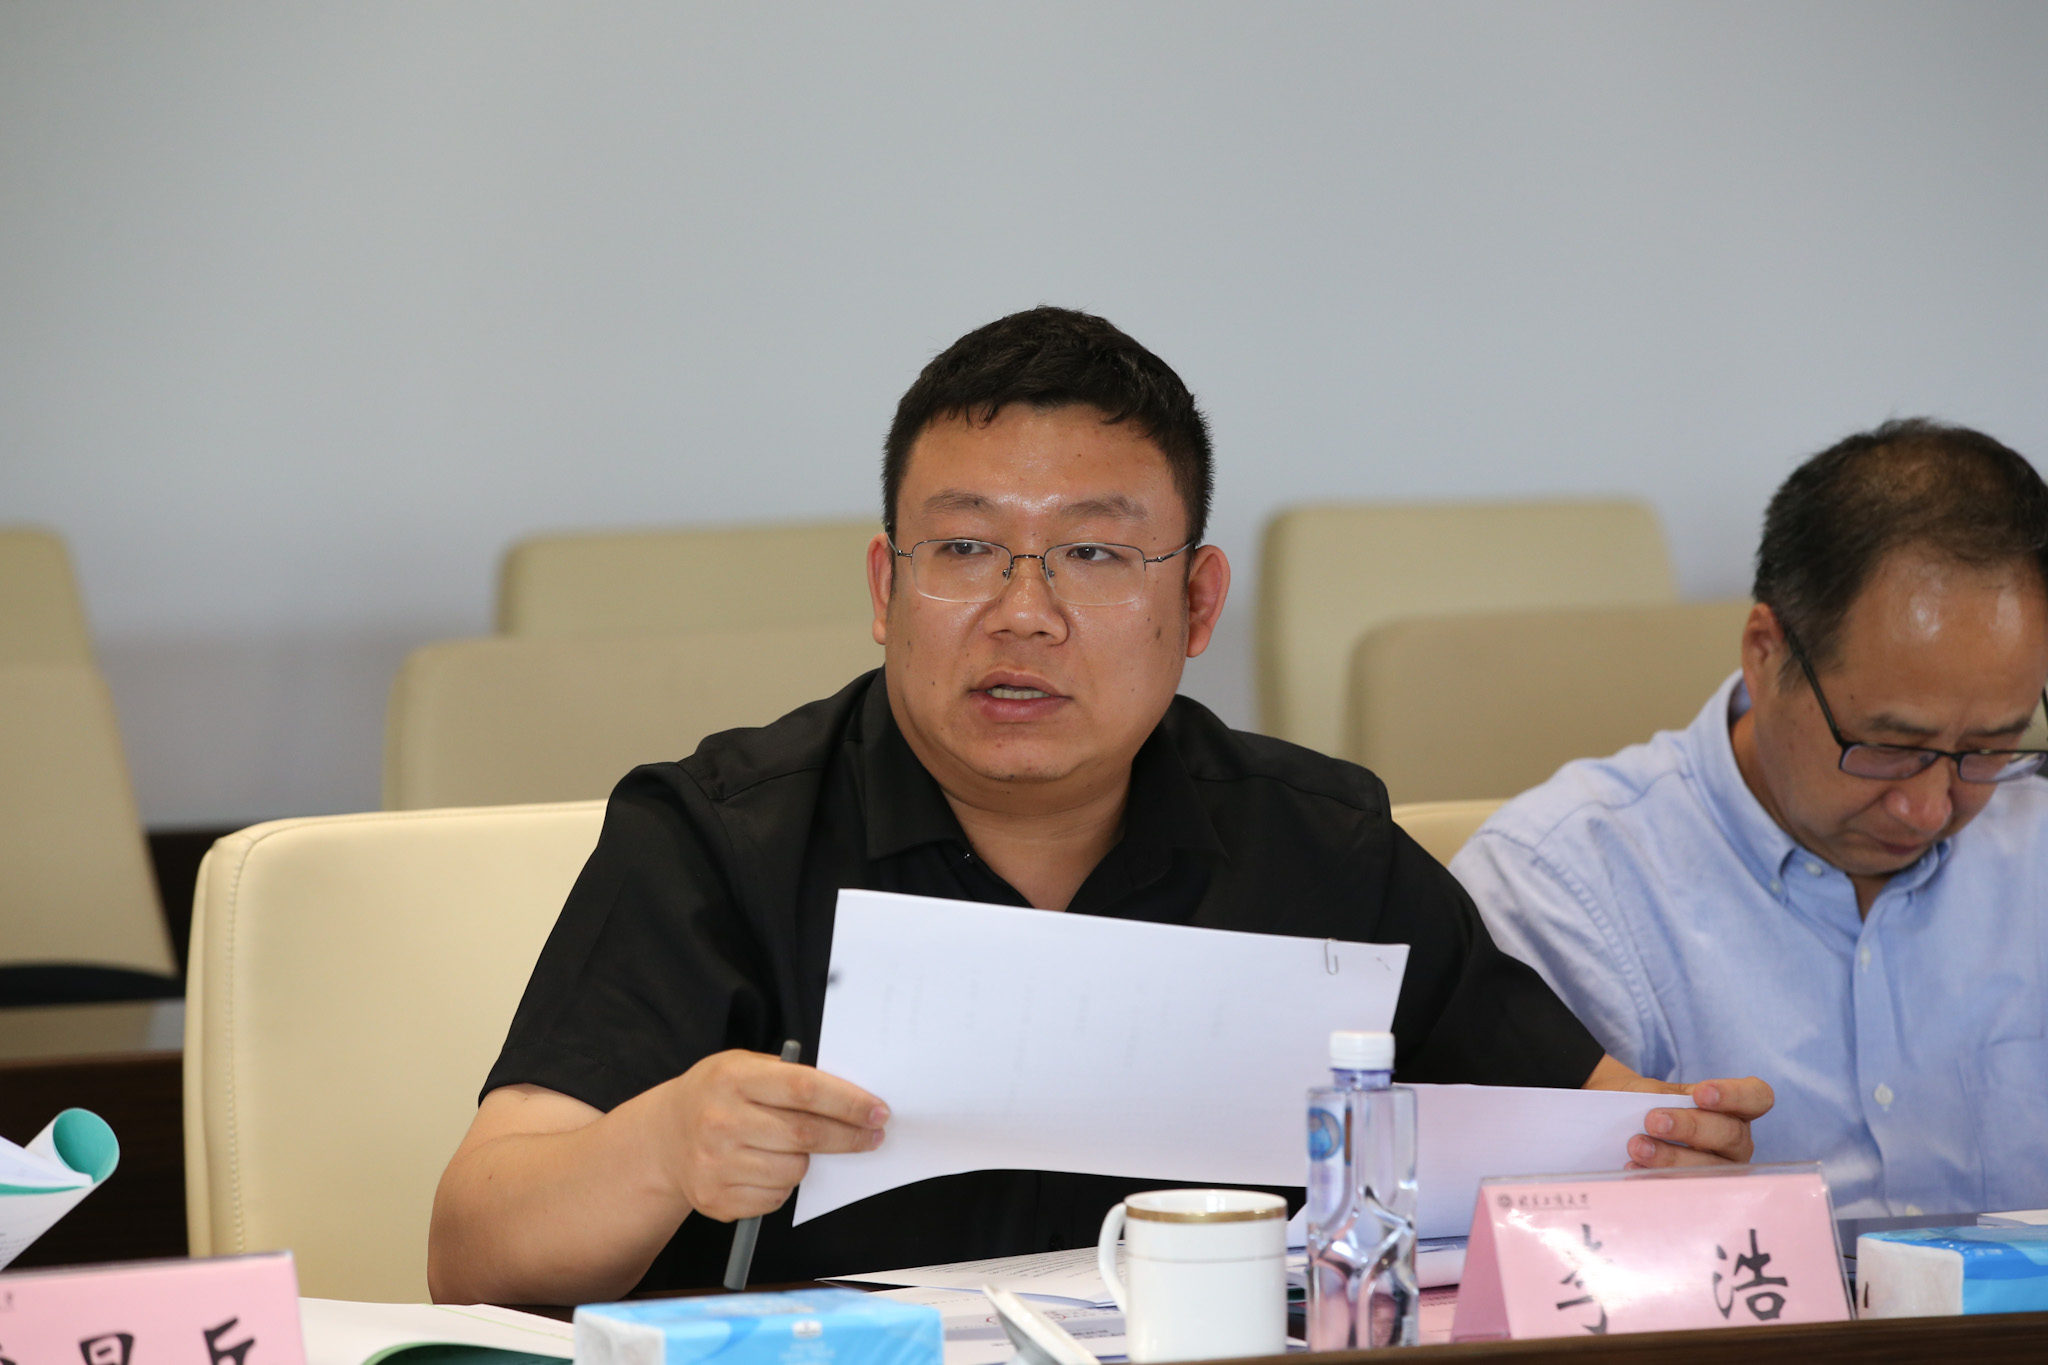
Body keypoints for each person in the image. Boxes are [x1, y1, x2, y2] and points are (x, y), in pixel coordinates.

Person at [427, 307, 1768, 1306]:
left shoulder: (1321, 846)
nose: (1024, 612)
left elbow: (1601, 1135)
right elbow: (474, 1250)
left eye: (1092, 552)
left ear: (1196, 603)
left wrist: (1679, 1164)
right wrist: (663, 1147)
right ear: (886, 589)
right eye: (966, 548)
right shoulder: (717, 838)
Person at [1454, 418, 2048, 1220]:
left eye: (1989, 746)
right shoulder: (1560, 885)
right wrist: (1642, 1209)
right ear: (1766, 652)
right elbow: (1508, 1240)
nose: (1931, 805)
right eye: (1889, 745)